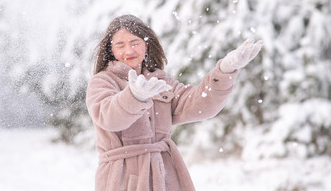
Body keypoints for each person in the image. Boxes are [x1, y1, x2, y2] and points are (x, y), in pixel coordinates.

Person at [86, 14, 263, 191]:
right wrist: (134, 96)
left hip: (164, 177)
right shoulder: (102, 82)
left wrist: (225, 71)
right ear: (111, 49)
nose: (129, 51)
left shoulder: (161, 83)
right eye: (120, 45)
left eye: (135, 43)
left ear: (146, 45)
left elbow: (201, 103)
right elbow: (109, 118)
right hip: (121, 179)